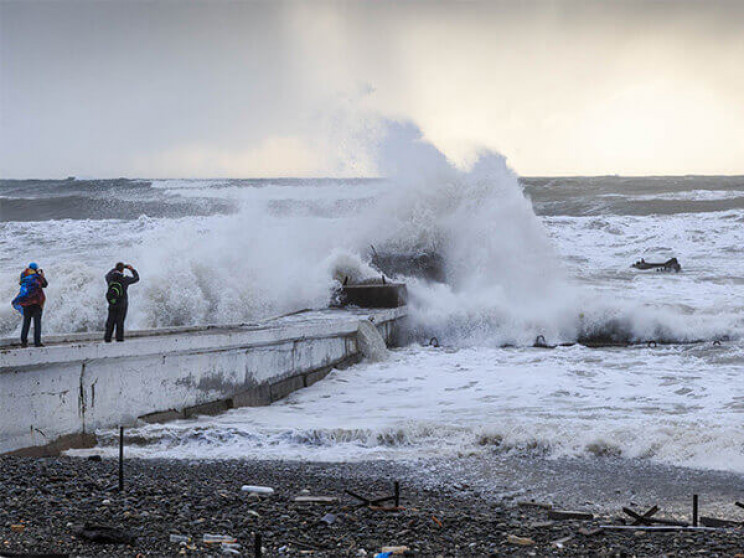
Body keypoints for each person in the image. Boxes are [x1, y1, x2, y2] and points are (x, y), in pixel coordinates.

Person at [11, 262, 48, 347]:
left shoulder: (24, 276)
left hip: (26, 303)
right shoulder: (37, 277)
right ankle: (37, 343)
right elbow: (45, 285)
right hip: (36, 303)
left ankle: (24, 342)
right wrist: (42, 276)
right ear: (36, 269)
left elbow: (21, 284)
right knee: (37, 323)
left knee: (26, 323)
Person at [104, 262, 139, 342]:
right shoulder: (124, 278)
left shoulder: (110, 277)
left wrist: (114, 269)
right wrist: (132, 270)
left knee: (110, 322)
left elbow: (106, 275)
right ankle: (119, 340)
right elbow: (137, 278)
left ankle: (107, 339)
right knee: (120, 323)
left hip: (112, 303)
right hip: (122, 304)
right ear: (123, 270)